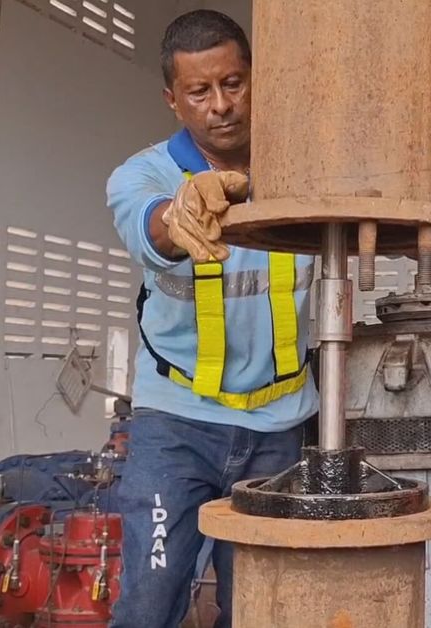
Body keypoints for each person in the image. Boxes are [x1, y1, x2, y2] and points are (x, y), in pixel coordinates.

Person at [104, 11, 318, 628]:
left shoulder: (306, 169)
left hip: (280, 428)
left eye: (233, 84)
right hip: (176, 427)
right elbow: (149, 227)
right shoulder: (142, 174)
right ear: (173, 100)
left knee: (260, 611)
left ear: (256, 80)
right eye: (199, 92)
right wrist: (176, 216)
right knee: (148, 605)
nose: (220, 105)